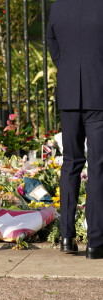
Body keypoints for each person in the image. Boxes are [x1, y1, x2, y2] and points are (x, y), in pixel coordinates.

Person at [47, 0, 103, 259]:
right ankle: (96, 242)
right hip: (99, 93)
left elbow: (53, 44)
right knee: (98, 166)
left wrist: (68, 69)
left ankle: (67, 237)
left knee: (71, 163)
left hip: (69, 93)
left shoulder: (58, 7)